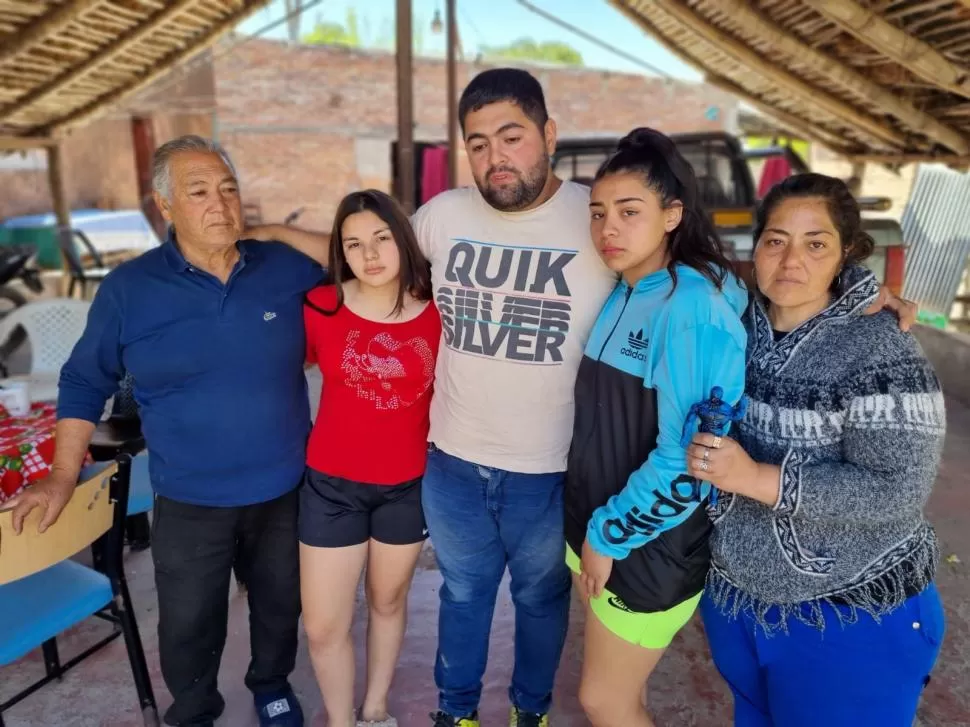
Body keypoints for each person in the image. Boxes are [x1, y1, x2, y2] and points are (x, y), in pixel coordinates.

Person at [248, 69, 919, 727]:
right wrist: (275, 233)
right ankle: (456, 712)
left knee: (548, 611)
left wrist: (850, 293)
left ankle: (529, 710)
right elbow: (375, 258)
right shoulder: (451, 216)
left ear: (548, 133)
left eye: (510, 136)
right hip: (466, 465)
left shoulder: (615, 232)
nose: (495, 156)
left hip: (563, 480)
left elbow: (719, 279)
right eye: (477, 143)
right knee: (465, 595)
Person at [4, 135, 323, 727]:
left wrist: (275, 230)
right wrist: (59, 475)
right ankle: (196, 709)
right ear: (165, 206)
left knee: (280, 603)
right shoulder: (131, 289)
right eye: (199, 192)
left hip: (284, 487)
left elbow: (359, 253)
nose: (220, 204)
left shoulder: (281, 267)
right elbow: (81, 380)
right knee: (187, 620)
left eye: (229, 189)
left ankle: (271, 683)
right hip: (189, 495)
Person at [687, 173, 946, 727]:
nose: (791, 261)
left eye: (816, 244)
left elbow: (896, 488)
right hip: (737, 603)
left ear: (845, 253)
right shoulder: (733, 326)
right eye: (776, 240)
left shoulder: (880, 347)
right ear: (755, 247)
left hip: (852, 615)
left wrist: (758, 477)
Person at [563, 127, 747, 727]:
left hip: (648, 545)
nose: (607, 228)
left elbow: (689, 461)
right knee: (620, 693)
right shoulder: (627, 289)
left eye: (628, 212)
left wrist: (606, 536)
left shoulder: (692, 310)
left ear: (672, 216)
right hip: (606, 530)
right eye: (598, 213)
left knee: (603, 701)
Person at [299, 190, 439, 727]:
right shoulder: (319, 307)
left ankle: (375, 709)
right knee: (323, 625)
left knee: (386, 601)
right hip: (331, 483)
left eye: (381, 238)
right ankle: (340, 719)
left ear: (402, 239)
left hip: (407, 484)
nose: (371, 254)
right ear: (341, 252)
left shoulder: (440, 312)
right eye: (354, 244)